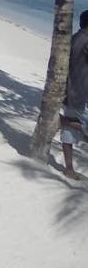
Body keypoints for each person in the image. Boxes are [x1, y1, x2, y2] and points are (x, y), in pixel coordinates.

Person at [59, 10, 88, 176]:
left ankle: (69, 169)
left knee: (69, 134)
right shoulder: (85, 41)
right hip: (82, 93)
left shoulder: (74, 38)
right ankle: (63, 121)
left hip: (70, 92)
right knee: (74, 128)